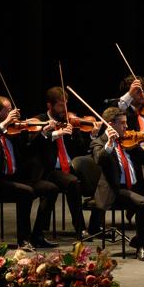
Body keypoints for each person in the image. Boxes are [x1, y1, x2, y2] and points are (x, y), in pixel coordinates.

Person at [92, 107, 144, 261]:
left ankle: (141, 239)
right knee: (143, 203)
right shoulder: (100, 143)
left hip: (137, 187)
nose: (127, 127)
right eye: (123, 123)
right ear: (111, 125)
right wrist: (110, 144)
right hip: (116, 190)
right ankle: (142, 247)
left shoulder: (129, 141)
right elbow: (100, 159)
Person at [0, 96, 60, 248]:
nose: (12, 113)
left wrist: (42, 133)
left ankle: (37, 235)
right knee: (25, 192)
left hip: (15, 178)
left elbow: (28, 150)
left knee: (51, 189)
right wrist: (2, 126)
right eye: (8, 110)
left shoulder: (13, 130)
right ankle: (23, 240)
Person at [30, 86, 91, 239]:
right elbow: (30, 145)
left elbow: (81, 149)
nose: (64, 109)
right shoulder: (39, 120)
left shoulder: (69, 121)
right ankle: (80, 229)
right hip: (47, 170)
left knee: (95, 180)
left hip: (67, 168)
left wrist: (92, 135)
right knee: (72, 183)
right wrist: (54, 133)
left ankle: (96, 224)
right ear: (49, 105)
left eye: (65, 105)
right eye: (59, 105)